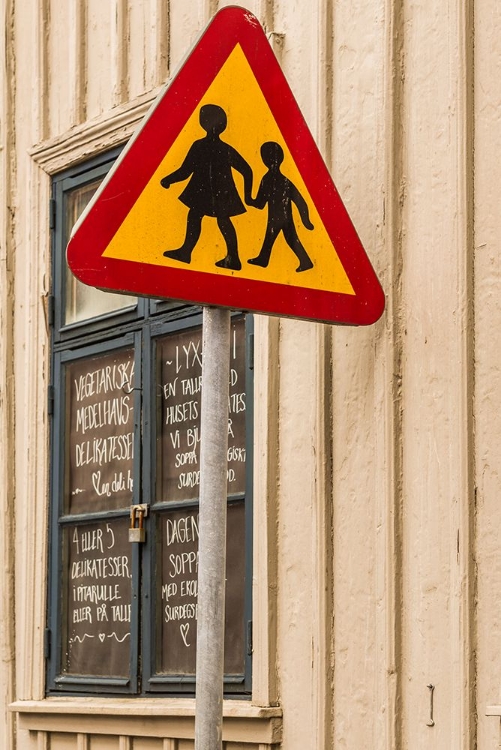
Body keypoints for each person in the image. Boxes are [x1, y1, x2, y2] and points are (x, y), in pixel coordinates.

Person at [161, 104, 253, 271]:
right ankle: (227, 256)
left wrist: (168, 180)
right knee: (219, 220)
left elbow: (185, 171)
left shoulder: (200, 145)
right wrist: (248, 195)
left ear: (203, 122)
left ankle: (191, 252)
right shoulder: (225, 149)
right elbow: (247, 171)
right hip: (215, 192)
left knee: (200, 216)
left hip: (206, 192)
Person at [247, 141, 314, 272]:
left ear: (264, 159)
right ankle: (264, 258)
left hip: (276, 218)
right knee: (285, 238)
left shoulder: (267, 179)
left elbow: (260, 204)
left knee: (286, 239)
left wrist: (250, 200)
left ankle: (304, 261)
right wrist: (306, 220)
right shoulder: (285, 180)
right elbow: (300, 201)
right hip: (284, 216)